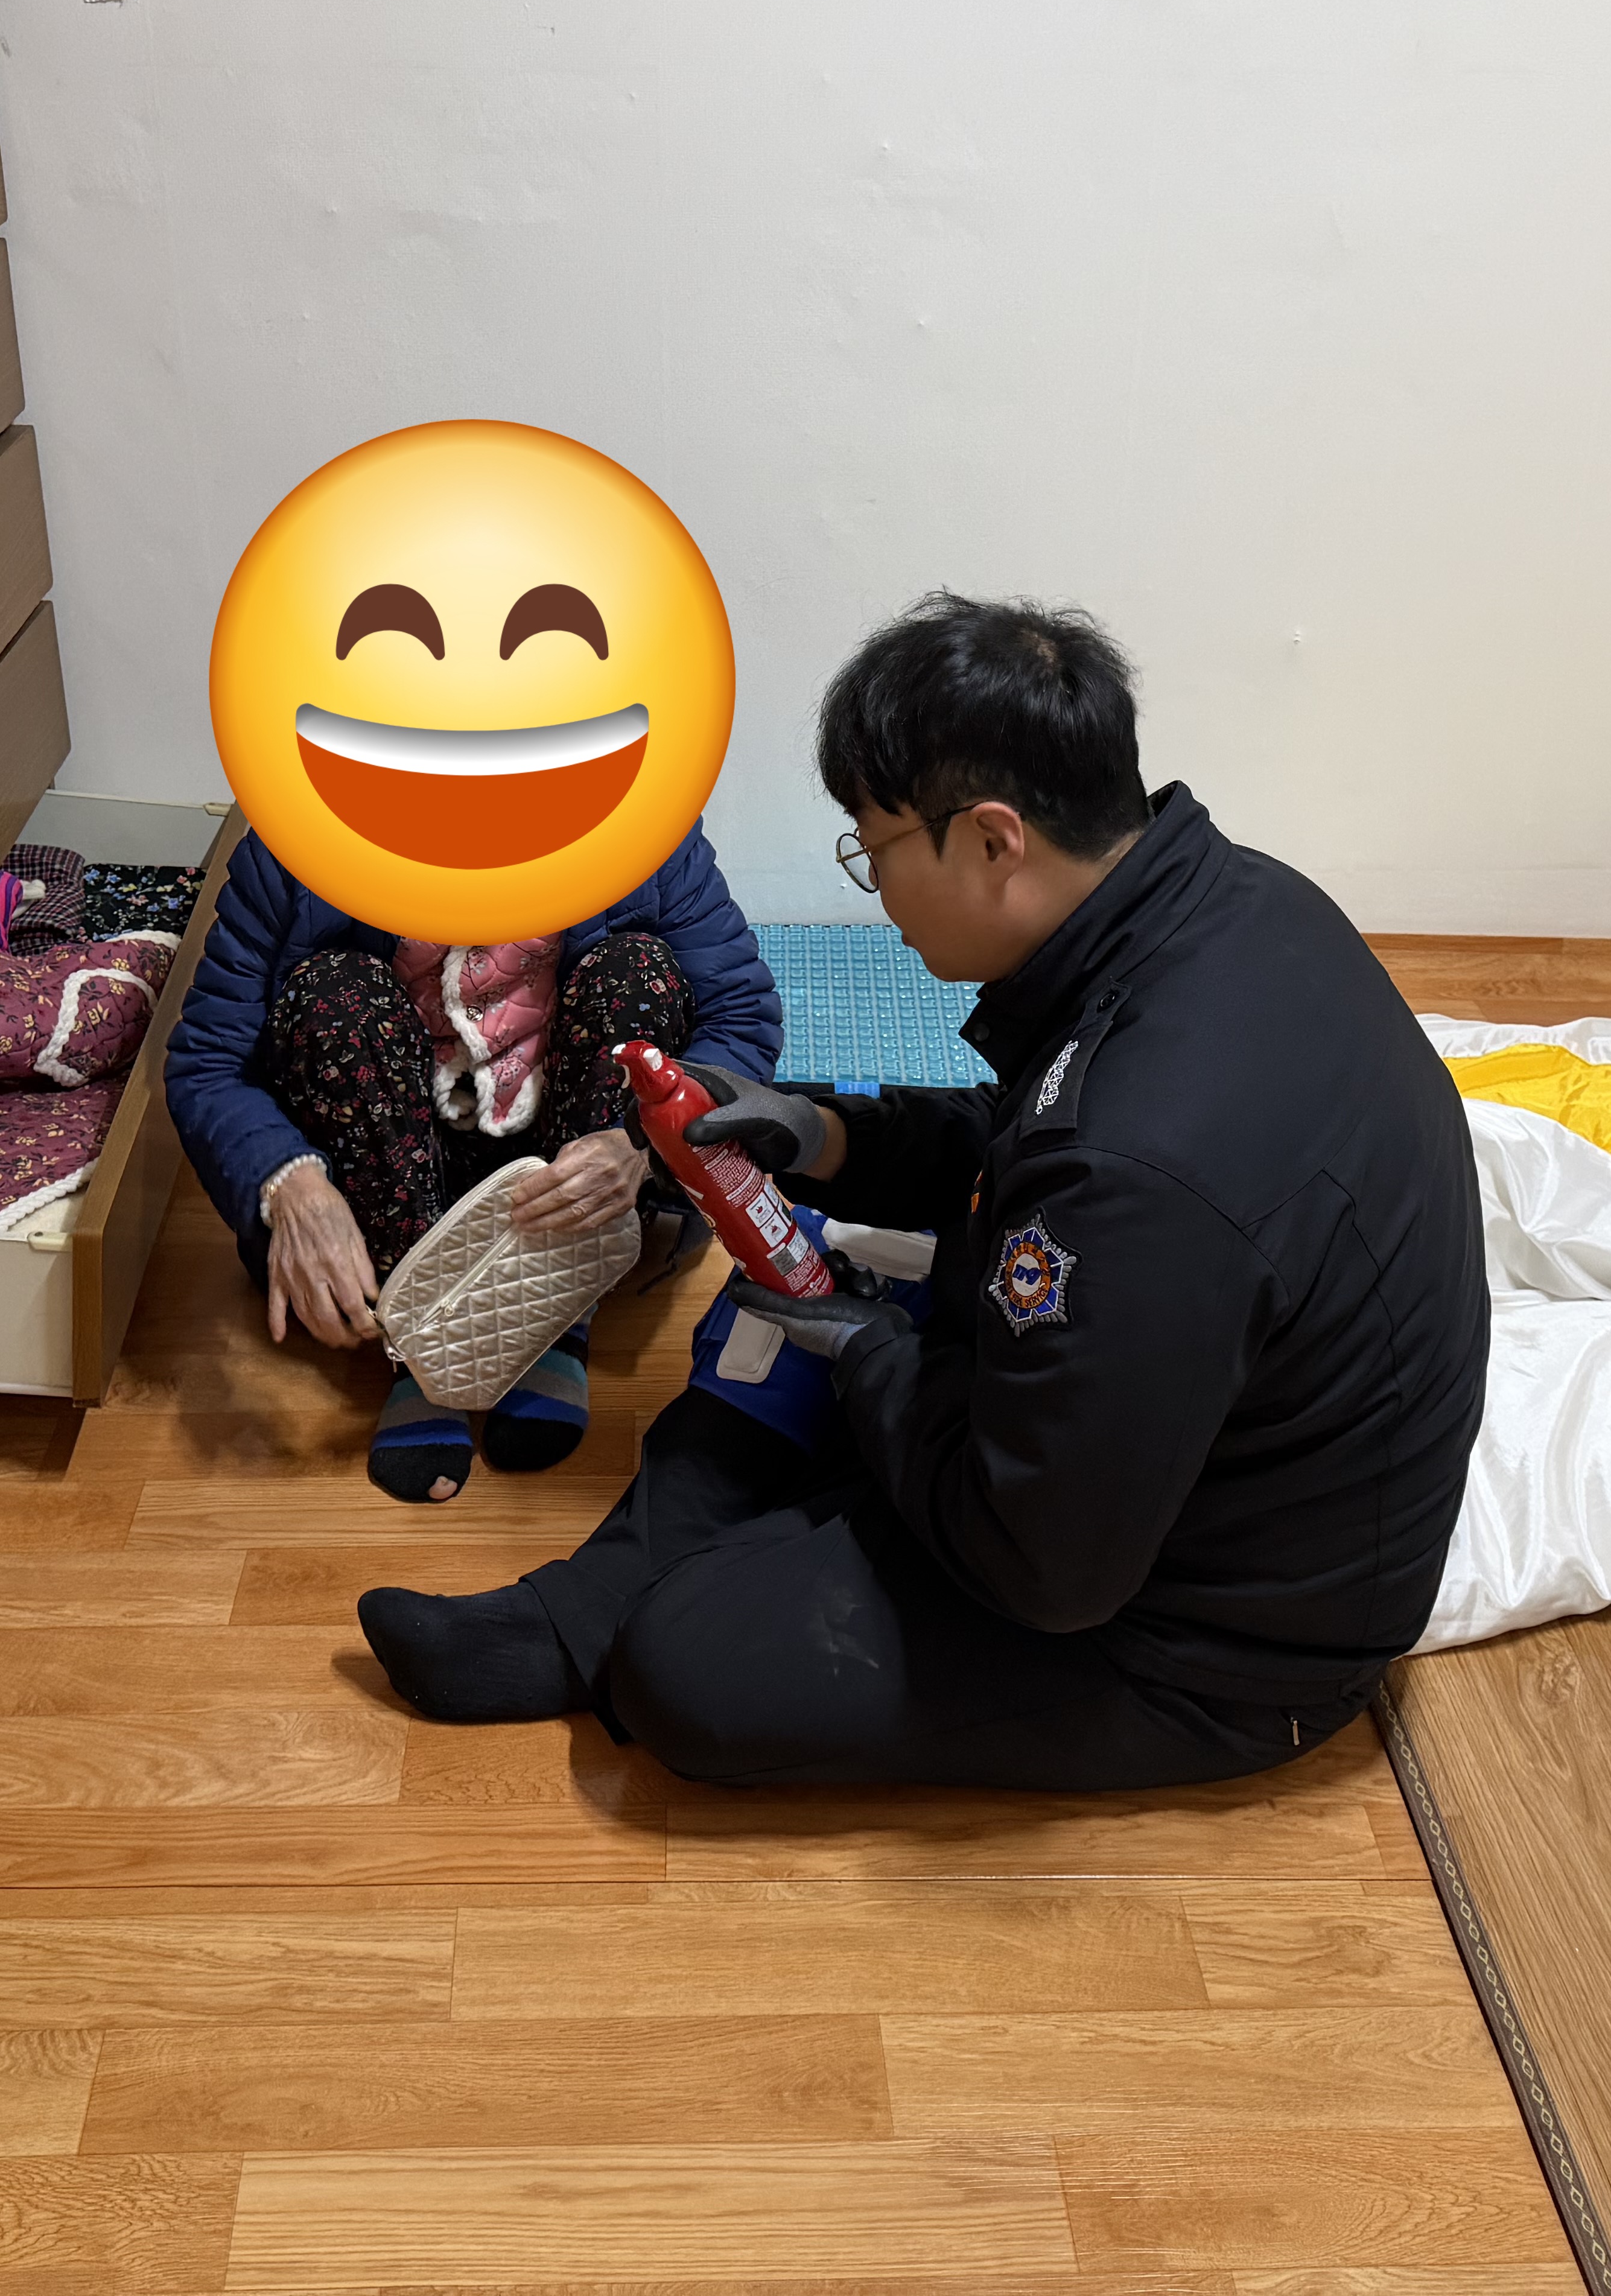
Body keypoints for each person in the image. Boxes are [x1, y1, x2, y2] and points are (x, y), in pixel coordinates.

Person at [355, 593, 1489, 1788]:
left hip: (1214, 1638)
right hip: (1151, 1452)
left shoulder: (1136, 1168)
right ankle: (589, 1601)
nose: (875, 891)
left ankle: (627, 1604)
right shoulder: (1221, 903)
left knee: (682, 1660)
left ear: (994, 840)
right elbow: (1027, 1136)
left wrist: (869, 1358)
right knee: (789, 1263)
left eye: (875, 849)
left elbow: (1047, 1566)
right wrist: (821, 1132)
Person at [166, 824, 783, 1503]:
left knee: (634, 970)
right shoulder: (294, 835)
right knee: (333, 991)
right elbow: (210, 1062)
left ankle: (559, 1314)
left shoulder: (645, 823)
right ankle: (423, 1339)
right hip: (390, 1163)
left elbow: (739, 1018)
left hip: (567, 1150)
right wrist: (291, 1183)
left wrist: (639, 1143)